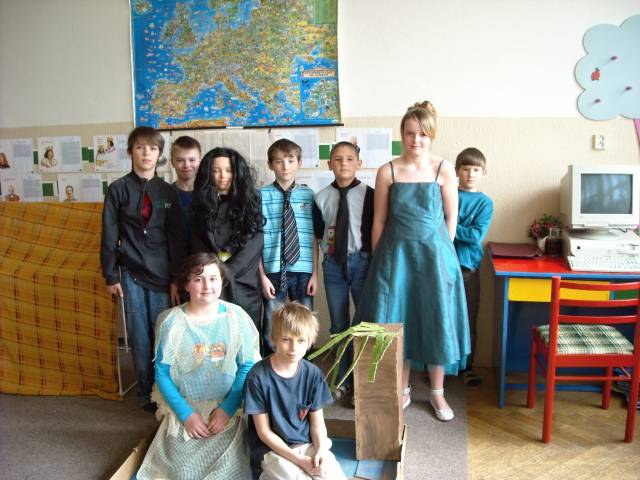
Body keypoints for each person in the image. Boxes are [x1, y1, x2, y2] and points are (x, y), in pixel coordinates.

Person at [354, 101, 470, 421]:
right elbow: (379, 221)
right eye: (409, 133)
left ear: (431, 135)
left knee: (435, 319)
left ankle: (437, 392)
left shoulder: (444, 169)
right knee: (398, 321)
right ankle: (402, 388)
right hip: (396, 258)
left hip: (435, 257)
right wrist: (379, 261)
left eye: (422, 134)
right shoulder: (387, 170)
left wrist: (444, 255)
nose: (415, 139)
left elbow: (451, 218)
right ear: (401, 134)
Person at [137, 253, 260, 479]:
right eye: (198, 279)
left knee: (227, 472)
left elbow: (246, 366)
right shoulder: (171, 321)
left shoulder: (236, 317)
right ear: (186, 284)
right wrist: (186, 415)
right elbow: (162, 374)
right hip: (185, 406)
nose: (207, 286)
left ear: (222, 281)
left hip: (227, 406)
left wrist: (226, 410)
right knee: (180, 473)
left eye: (213, 278)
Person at [100, 126, 187, 412]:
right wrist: (110, 274)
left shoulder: (166, 192)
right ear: (130, 152)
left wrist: (176, 278)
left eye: (152, 148)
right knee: (139, 334)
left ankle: (164, 390)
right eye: (140, 147)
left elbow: (176, 236)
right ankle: (145, 391)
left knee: (163, 332)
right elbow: (109, 234)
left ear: (159, 154)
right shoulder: (118, 189)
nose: (146, 153)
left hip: (163, 273)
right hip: (131, 272)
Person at [243, 302, 347, 480]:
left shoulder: (313, 374)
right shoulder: (257, 377)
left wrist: (321, 450)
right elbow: (264, 433)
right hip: (272, 450)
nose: (294, 348)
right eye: (286, 340)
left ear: (310, 342)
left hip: (306, 444)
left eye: (301, 341)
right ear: (274, 339)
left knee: (331, 474)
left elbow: (317, 424)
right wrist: (299, 461)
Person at [312, 141, 373, 400]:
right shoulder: (320, 197)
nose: (343, 164)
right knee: (338, 323)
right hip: (333, 265)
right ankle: (341, 376)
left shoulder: (371, 195)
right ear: (329, 164)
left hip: (363, 262)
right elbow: (318, 235)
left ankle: (364, 379)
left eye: (349, 159)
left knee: (364, 321)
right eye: (337, 159)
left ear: (359, 163)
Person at [190, 147, 264, 330]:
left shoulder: (251, 200)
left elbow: (254, 244)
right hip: (210, 281)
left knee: (245, 335)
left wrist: (226, 272)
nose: (223, 176)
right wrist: (214, 273)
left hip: (243, 281)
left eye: (228, 170)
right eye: (216, 170)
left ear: (237, 172)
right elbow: (197, 243)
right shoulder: (199, 203)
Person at [259, 139, 318, 354]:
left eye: (290, 160)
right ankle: (272, 366)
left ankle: (304, 366)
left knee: (304, 324)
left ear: (299, 163)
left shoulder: (309, 195)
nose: (285, 166)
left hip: (303, 271)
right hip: (272, 271)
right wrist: (262, 276)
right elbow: (256, 240)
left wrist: (315, 274)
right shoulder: (261, 196)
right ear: (270, 165)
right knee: (271, 324)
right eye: (279, 161)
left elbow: (314, 237)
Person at [454, 147, 493, 386]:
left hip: (469, 268)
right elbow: (435, 227)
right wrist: (456, 228)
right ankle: (440, 366)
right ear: (456, 171)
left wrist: (450, 226)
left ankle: (467, 366)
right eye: (466, 169)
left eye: (476, 170)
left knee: (468, 318)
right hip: (443, 265)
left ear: (483, 173)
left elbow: (475, 236)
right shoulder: (447, 194)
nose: (470, 174)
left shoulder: (485, 203)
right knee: (443, 316)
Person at [170, 135, 202, 252]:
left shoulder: (210, 194)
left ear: (200, 161)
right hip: (173, 258)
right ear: (172, 162)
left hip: (204, 258)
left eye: (192, 160)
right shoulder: (164, 195)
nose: (186, 165)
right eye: (180, 160)